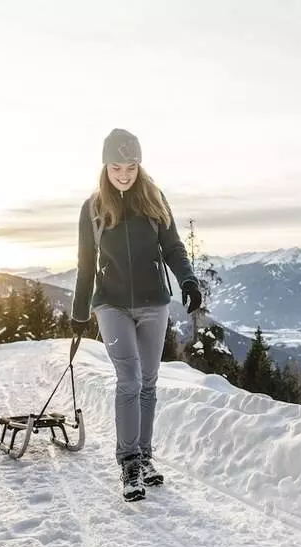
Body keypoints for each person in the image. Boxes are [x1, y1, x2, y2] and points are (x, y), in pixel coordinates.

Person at [71, 129, 202, 502]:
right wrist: (80, 312)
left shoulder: (154, 200)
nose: (124, 174)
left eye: (130, 166)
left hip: (153, 303)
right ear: (105, 166)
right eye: (116, 166)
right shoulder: (93, 209)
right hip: (110, 304)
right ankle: (128, 461)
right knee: (128, 379)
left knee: (149, 381)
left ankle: (145, 456)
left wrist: (188, 282)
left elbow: (174, 248)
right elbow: (85, 265)